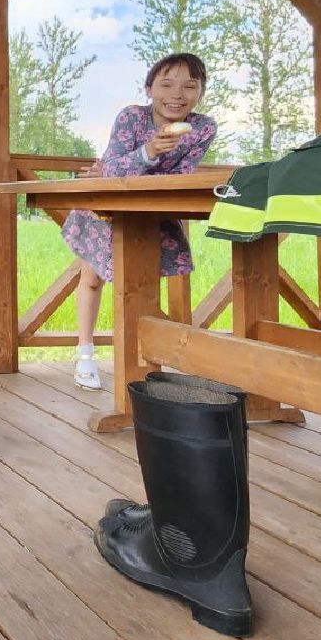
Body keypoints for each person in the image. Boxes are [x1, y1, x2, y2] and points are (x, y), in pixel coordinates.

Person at [62, 53, 217, 390]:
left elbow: (181, 175)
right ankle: (85, 353)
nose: (177, 94)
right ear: (149, 89)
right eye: (166, 84)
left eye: (190, 86)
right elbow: (111, 168)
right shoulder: (132, 117)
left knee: (142, 284)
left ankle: (144, 362)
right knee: (92, 277)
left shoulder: (203, 128)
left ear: (201, 92)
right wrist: (148, 152)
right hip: (106, 208)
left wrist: (135, 167)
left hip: (153, 213)